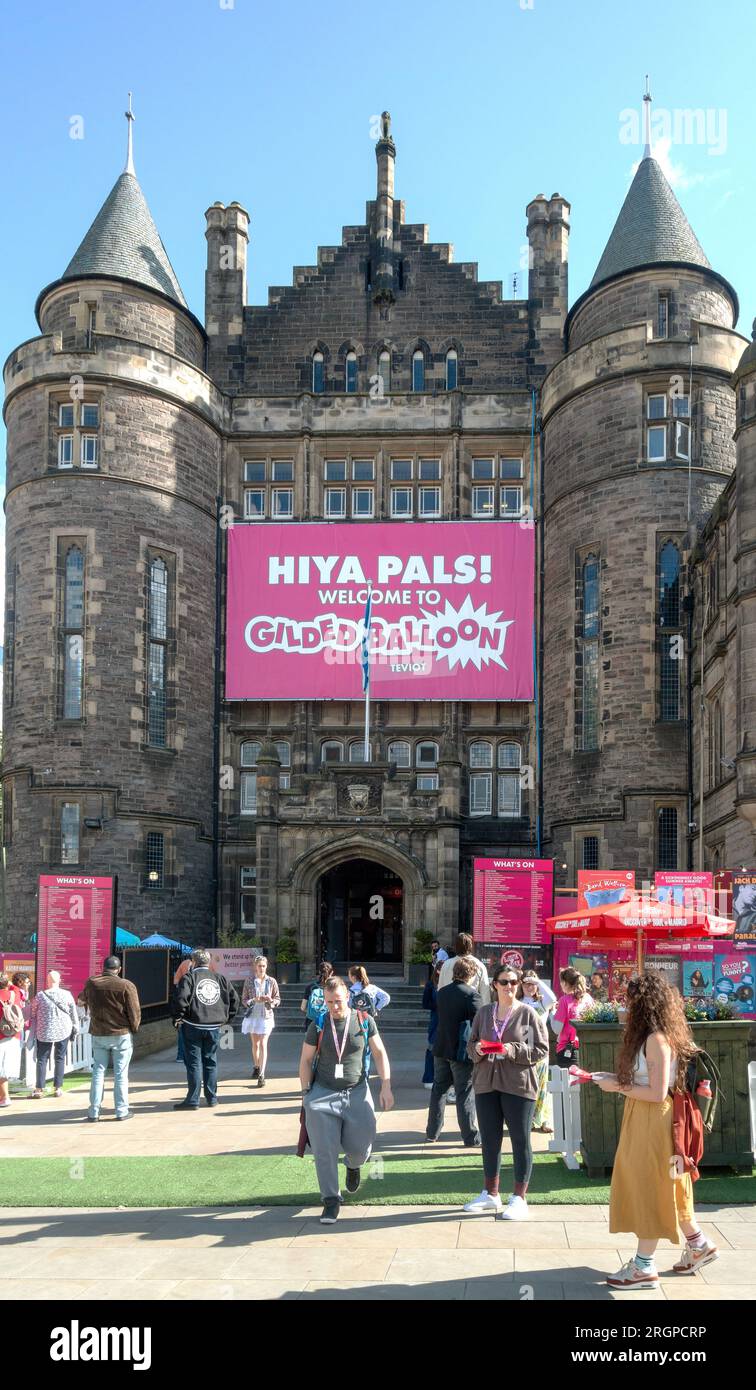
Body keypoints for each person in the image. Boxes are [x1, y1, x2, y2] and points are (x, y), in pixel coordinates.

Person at [596, 970, 718, 1289]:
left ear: (644, 1003)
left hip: (654, 1118)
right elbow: (649, 1083)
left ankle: (643, 1267)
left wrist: (616, 1088)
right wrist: (611, 1079)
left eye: (629, 999)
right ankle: (698, 1245)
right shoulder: (658, 1035)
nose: (625, 1005)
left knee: (650, 1185)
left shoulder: (656, 1039)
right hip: (651, 1116)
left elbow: (656, 1092)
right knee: (670, 1185)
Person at [299, 976, 394, 1224]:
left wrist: (386, 1086)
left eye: (338, 1001)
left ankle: (353, 1165)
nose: (334, 1007)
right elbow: (306, 1060)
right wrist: (306, 1093)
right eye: (329, 1002)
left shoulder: (364, 1021)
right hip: (322, 1093)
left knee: (361, 1147)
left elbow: (380, 1052)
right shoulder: (318, 1024)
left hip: (357, 1091)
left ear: (348, 997)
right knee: (324, 1150)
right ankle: (331, 1200)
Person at [463, 965, 549, 1221]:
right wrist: (478, 1049)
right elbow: (470, 1044)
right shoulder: (484, 1013)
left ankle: (519, 1198)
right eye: (504, 982)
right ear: (495, 985)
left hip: (518, 1085)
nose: (510, 986)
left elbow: (541, 1049)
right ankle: (491, 1194)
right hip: (487, 1084)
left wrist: (511, 1050)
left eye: (514, 982)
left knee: (520, 1140)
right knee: (490, 1141)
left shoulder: (528, 1014)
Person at [172, 948, 239, 1110]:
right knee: (210, 1061)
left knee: (193, 1063)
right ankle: (212, 1098)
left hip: (193, 1025)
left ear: (193, 962)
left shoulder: (189, 978)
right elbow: (234, 999)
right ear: (208, 963)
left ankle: (193, 1099)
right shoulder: (220, 978)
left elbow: (181, 999)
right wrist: (227, 1018)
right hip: (213, 1026)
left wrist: (178, 1018)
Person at [426, 957, 482, 1147]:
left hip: (441, 1046)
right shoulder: (472, 995)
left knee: (438, 1090)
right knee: (464, 1093)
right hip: (460, 1050)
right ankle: (470, 1137)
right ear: (472, 974)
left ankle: (432, 1132)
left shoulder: (442, 992)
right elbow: (480, 1023)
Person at [78, 956, 141, 1121]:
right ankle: (121, 1111)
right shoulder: (126, 985)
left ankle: (93, 1111)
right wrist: (134, 1028)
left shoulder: (92, 983)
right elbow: (134, 1011)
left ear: (103, 968)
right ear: (119, 969)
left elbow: (81, 999)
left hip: (99, 1032)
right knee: (121, 1074)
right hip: (120, 1033)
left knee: (98, 1072)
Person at [30, 971, 79, 1098]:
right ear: (59, 980)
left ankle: (39, 1088)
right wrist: (76, 1027)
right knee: (60, 1058)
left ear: (47, 981)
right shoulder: (67, 995)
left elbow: (33, 1012)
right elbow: (74, 1013)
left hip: (44, 1031)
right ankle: (57, 1088)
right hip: (63, 1030)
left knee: (42, 1059)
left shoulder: (40, 995)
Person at [519, 970, 557, 1133]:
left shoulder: (542, 1002)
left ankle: (543, 1119)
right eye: (526, 983)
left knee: (542, 1085)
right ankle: (526, 1119)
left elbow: (553, 998)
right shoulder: (517, 1002)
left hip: (540, 1049)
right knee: (524, 1085)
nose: (530, 987)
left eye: (533, 984)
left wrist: (537, 980)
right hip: (522, 1048)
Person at [241, 955, 280, 1087]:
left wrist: (271, 1001)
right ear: (255, 966)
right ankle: (256, 1066)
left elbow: (277, 999)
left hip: (266, 1016)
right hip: (253, 1016)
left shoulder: (272, 981)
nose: (262, 968)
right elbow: (244, 1000)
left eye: (264, 966)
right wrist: (254, 1000)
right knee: (255, 1044)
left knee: (263, 1043)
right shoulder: (249, 981)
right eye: (259, 966)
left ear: (266, 966)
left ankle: (262, 1074)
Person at [551, 967, 593, 1067]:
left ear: (565, 983)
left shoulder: (564, 1000)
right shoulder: (588, 998)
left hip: (567, 1049)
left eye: (561, 982)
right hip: (587, 1047)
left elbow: (557, 1029)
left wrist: (552, 1013)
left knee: (568, 1082)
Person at [437, 933, 490, 1001]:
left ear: (455, 946)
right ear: (471, 946)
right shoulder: (479, 965)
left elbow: (440, 989)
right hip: (471, 1007)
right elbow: (485, 993)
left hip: (450, 1007)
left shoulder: (446, 964)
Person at [0, 972, 25, 1109]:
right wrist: (7, 983)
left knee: (1, 1069)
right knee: (4, 1068)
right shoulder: (14, 993)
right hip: (14, 1034)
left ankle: (5, 1097)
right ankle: (3, 1096)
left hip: (1, 1036)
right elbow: (14, 987)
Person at [300, 960, 334, 1030]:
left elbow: (303, 1008)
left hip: (311, 1021)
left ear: (319, 972)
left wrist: (314, 1011)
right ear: (332, 973)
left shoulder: (310, 987)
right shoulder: (334, 988)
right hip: (329, 1020)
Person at [421, 966, 440, 1087]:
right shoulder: (431, 984)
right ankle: (429, 1078)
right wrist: (437, 1005)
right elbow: (425, 1003)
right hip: (436, 1019)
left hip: (448, 1019)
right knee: (432, 1048)